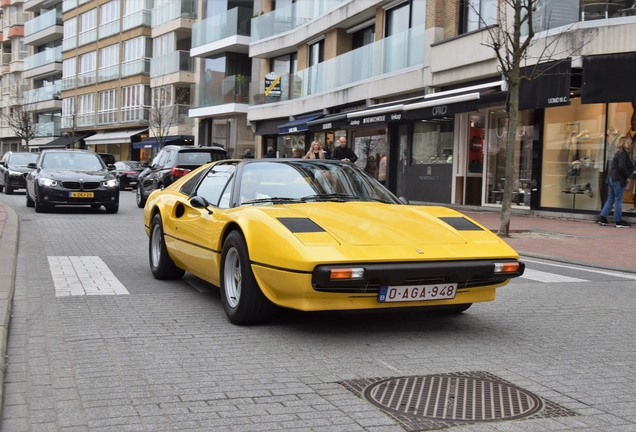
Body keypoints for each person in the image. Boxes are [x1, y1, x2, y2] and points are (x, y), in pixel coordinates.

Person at [598, 136, 634, 228]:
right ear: (626, 143)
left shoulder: (618, 152)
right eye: (630, 143)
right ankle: (618, 221)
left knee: (611, 198)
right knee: (618, 200)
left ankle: (603, 218)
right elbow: (622, 167)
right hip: (618, 179)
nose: (631, 145)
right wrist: (627, 176)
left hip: (612, 178)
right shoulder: (623, 153)